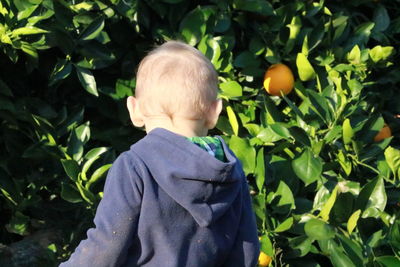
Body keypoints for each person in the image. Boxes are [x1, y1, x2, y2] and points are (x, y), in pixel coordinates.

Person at [59, 40, 260, 267]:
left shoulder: (135, 166)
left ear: (134, 110)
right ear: (215, 112)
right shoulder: (230, 170)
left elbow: (106, 246)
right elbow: (246, 250)